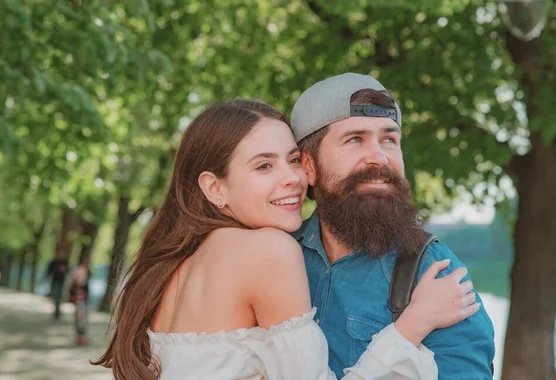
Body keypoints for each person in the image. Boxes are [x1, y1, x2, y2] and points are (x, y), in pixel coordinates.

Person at [93, 99, 480, 379]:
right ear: (215, 188)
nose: (293, 179)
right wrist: (412, 325)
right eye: (264, 165)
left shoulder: (172, 267)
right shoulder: (269, 250)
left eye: (293, 160)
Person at [289, 73, 496, 379]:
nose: (379, 157)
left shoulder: (435, 273)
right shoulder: (275, 255)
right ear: (309, 165)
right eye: (355, 139)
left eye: (389, 139)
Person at [70, 257, 91, 345]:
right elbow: (71, 292)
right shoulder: (75, 285)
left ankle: (82, 336)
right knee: (79, 320)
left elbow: (87, 293)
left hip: (83, 303)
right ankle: (80, 337)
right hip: (78, 303)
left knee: (83, 320)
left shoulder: (85, 284)